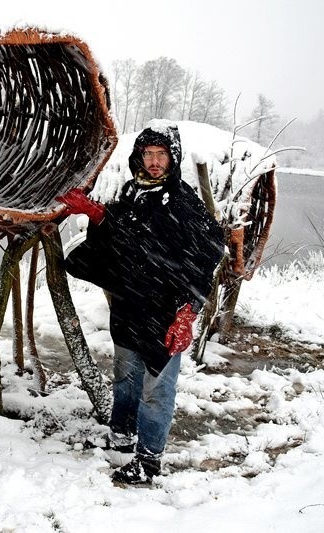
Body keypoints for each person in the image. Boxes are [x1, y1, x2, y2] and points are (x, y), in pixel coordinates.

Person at [57, 120, 224, 485]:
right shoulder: (134, 192)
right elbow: (124, 233)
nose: (153, 161)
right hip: (131, 306)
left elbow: (208, 255)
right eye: (147, 153)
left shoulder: (182, 202)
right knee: (126, 377)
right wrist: (98, 214)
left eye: (160, 154)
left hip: (165, 311)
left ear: (173, 157)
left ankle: (149, 462)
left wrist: (187, 312)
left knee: (156, 389)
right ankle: (121, 438)